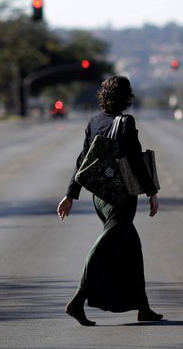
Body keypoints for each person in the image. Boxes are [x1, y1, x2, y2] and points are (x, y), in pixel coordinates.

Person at [56, 75, 163, 326]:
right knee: (106, 245)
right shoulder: (126, 122)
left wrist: (70, 195)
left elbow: (83, 161)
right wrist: (152, 192)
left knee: (132, 249)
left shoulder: (94, 122)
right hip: (122, 197)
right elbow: (135, 160)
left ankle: (142, 307)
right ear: (127, 97)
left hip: (100, 197)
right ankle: (78, 300)